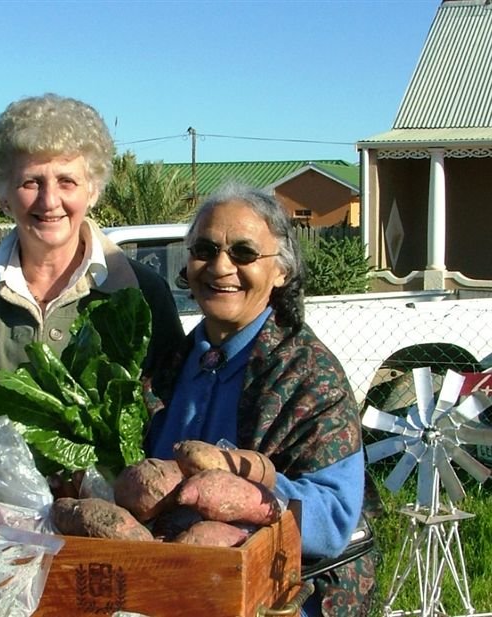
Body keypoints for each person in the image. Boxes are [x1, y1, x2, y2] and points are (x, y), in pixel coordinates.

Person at [0, 93, 185, 538]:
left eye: (67, 180)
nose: (49, 200)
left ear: (93, 189)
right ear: (3, 192)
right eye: (31, 181)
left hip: (111, 552)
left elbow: (176, 428)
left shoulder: (142, 297)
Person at [142, 183, 378, 617]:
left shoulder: (310, 374)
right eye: (205, 250)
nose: (220, 267)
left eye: (244, 253)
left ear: (280, 270)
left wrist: (249, 492)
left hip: (279, 593)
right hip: (164, 584)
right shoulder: (168, 364)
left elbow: (334, 519)